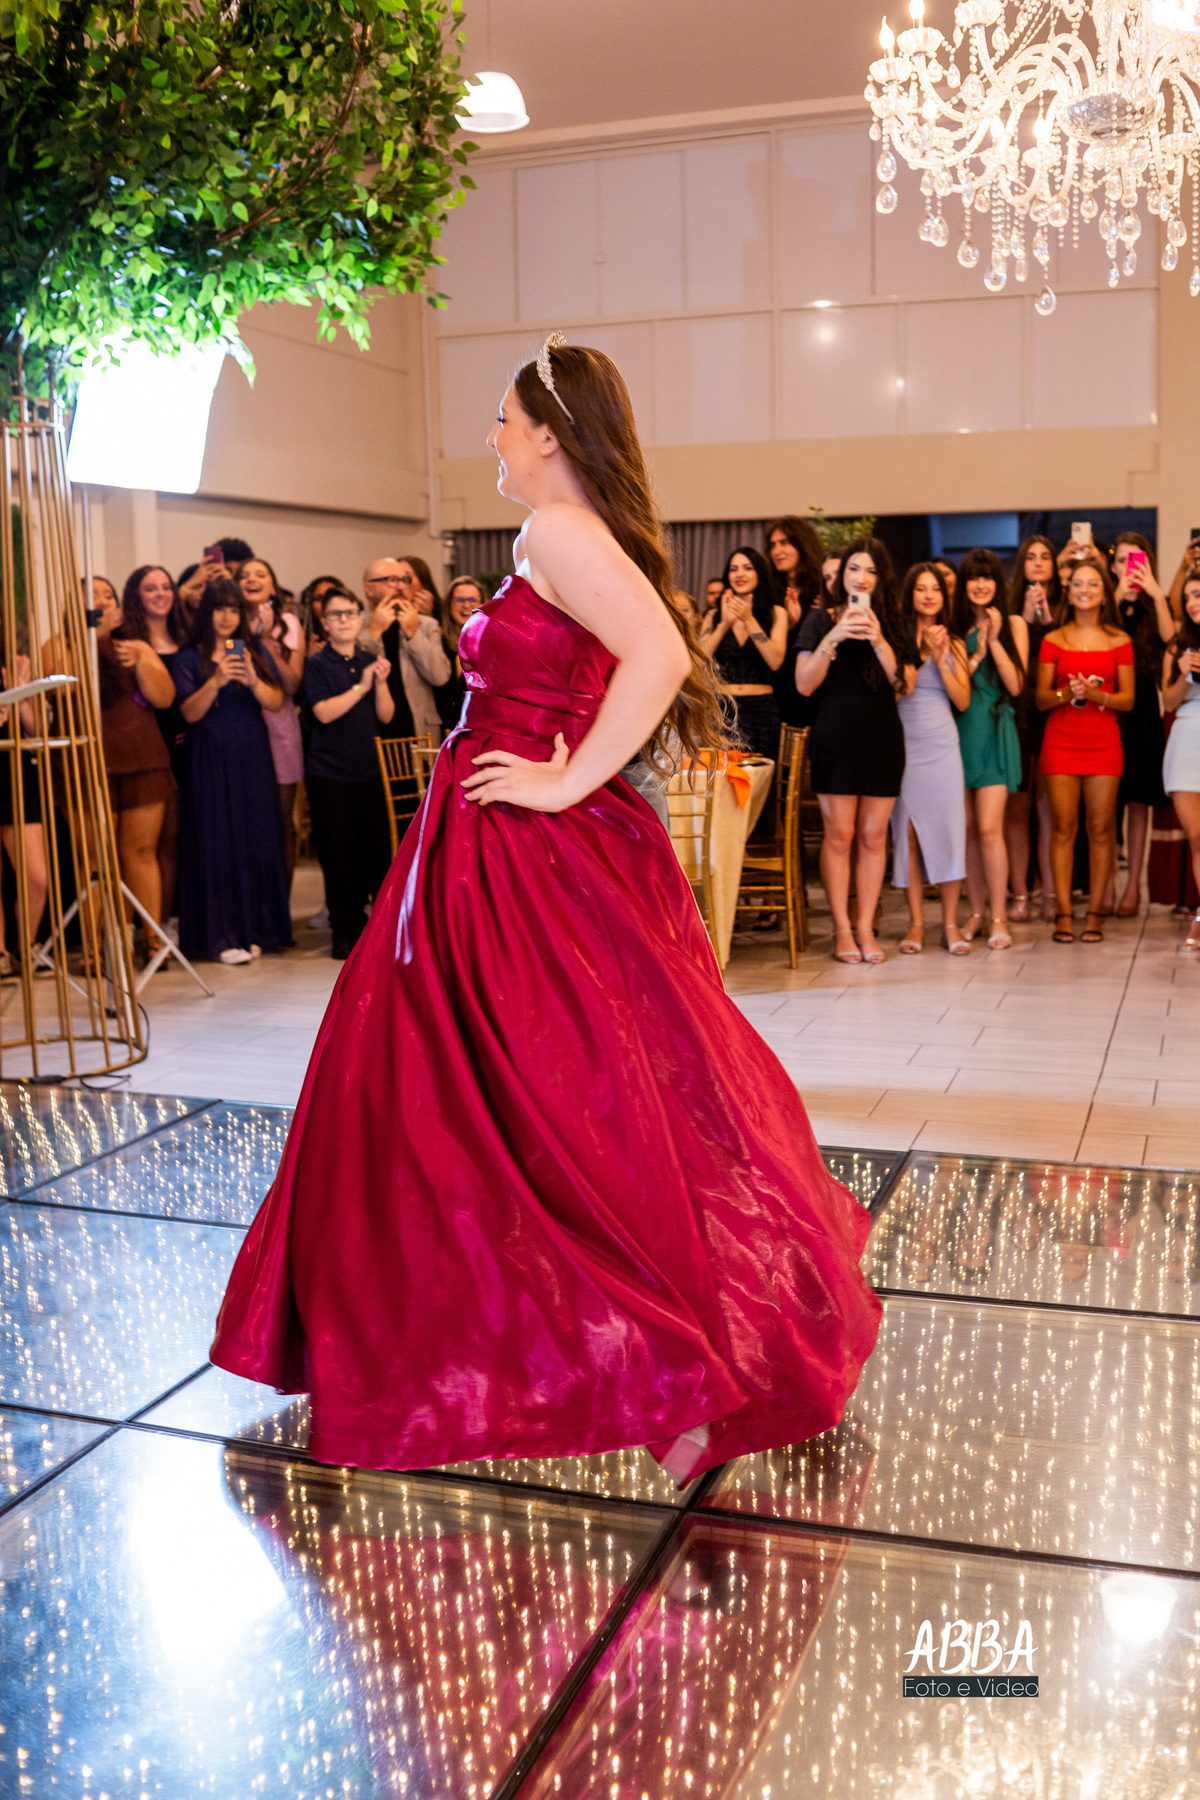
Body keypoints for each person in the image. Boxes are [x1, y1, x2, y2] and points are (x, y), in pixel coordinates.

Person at [210, 336, 880, 1482]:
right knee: (484, 1080)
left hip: (518, 839)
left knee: (523, 1084)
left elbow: (656, 656)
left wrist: (567, 781)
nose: (491, 435)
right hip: (487, 832)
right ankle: (490, 1333)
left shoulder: (559, 532)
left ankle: (575, 1346)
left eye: (504, 419)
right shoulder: (558, 535)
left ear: (553, 435)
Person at [795, 536, 909, 964]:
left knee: (874, 837)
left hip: (882, 738)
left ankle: (865, 927)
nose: (861, 578)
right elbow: (804, 684)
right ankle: (842, 928)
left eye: (871, 571)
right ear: (842, 575)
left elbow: (904, 686)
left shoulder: (893, 622)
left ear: (881, 579)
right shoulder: (819, 620)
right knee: (839, 836)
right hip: (835, 738)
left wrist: (879, 640)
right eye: (854, 569)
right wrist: (836, 636)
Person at [173, 578, 294, 964]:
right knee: (216, 839)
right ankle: (220, 936)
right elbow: (188, 713)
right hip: (209, 756)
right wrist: (217, 680)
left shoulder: (254, 652)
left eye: (233, 609)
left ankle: (254, 929)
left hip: (251, 753)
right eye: (219, 608)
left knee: (255, 835)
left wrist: (253, 681)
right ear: (206, 612)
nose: (226, 616)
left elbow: (276, 702)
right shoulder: (189, 658)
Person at [72, 575, 177, 953]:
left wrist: (142, 661)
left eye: (108, 594)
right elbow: (64, 688)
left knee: (141, 851)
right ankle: (95, 946)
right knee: (93, 857)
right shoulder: (62, 646)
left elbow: (164, 698)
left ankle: (151, 941)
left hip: (142, 756)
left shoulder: (135, 645)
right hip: (86, 764)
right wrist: (95, 636)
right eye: (92, 595)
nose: (102, 600)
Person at [1037, 560, 1134, 943]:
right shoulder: (1053, 639)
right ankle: (1063, 913)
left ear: (1104, 592)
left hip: (1104, 741)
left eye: (1093, 584)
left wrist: (1096, 695)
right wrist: (1067, 693)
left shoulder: (1119, 640)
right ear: (1069, 591)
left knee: (1101, 828)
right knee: (1063, 828)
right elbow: (1041, 699)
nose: (1085, 590)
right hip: (1061, 740)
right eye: (1078, 583)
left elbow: (1128, 700)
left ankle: (1095, 912)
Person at [303, 591, 395, 959]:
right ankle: (344, 930)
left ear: (360, 619)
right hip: (330, 774)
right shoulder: (317, 664)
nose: (343, 620)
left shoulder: (370, 659)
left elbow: (386, 716)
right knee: (338, 856)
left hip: (369, 771)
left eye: (350, 613)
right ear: (325, 623)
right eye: (335, 614)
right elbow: (323, 712)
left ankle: (381, 930)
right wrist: (361, 687)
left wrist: (381, 684)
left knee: (376, 853)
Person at [891, 564, 971, 954]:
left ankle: (951, 924)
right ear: (910, 595)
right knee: (907, 833)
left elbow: (963, 700)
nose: (928, 595)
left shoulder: (955, 643)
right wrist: (921, 653)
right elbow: (899, 692)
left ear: (944, 596)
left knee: (949, 830)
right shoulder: (898, 639)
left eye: (934, 589)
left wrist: (941, 658)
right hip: (904, 742)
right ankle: (916, 924)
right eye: (920, 588)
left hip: (942, 745)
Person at [953, 548, 1028, 950]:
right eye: (973, 577)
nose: (980, 585)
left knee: (989, 828)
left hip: (996, 727)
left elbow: (1016, 685)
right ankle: (976, 912)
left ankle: (999, 915)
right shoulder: (953, 626)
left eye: (987, 577)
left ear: (998, 583)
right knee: (966, 829)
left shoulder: (1014, 623)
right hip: (959, 729)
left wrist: (994, 642)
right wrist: (975, 652)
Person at [119, 565, 189, 925]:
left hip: (186, 746)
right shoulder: (124, 641)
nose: (160, 594)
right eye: (150, 588)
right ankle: (140, 925)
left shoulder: (187, 636)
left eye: (166, 586)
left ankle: (166, 921)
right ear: (136, 596)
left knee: (174, 838)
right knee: (144, 844)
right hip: (143, 747)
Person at [1109, 533, 1174, 916]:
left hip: (1144, 708)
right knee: (1105, 802)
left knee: (1137, 802)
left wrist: (1154, 594)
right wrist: (1118, 594)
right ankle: (1104, 885)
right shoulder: (1105, 603)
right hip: (1107, 707)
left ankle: (1132, 886)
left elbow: (1171, 640)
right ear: (1113, 565)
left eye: (1137, 560)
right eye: (1123, 560)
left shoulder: (1157, 603)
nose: (1129, 567)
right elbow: (1104, 635)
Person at [240, 557, 306, 890]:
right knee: (247, 822)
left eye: (260, 574)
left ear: (272, 585)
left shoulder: (288, 623)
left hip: (280, 728)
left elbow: (292, 684)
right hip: (242, 725)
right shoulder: (228, 623)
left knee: (280, 822)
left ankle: (281, 900)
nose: (251, 579)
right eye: (244, 575)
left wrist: (266, 640)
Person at [1005, 537, 1060, 920]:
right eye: (1031, 557)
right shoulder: (1009, 609)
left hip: (1054, 709)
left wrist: (1046, 618)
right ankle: (1021, 892)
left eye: (1045, 557)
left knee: (1049, 808)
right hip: (1018, 711)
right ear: (1021, 563)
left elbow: (1066, 651)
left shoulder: (1067, 605)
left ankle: (1051, 893)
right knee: (1018, 808)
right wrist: (1024, 617)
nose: (1038, 563)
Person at [699, 547, 789, 761]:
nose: (740, 574)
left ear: (759, 573)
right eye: (734, 569)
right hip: (722, 709)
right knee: (721, 777)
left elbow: (775, 661)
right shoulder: (713, 615)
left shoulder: (776, 613)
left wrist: (749, 619)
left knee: (760, 776)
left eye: (747, 568)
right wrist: (723, 625)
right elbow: (698, 662)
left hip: (761, 710)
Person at [362, 558, 451, 742]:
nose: (401, 587)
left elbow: (440, 676)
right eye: (392, 580)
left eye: (405, 580)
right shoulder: (355, 626)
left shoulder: (426, 625)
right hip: (373, 733)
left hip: (420, 733)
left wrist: (413, 633)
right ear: (369, 588)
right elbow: (352, 677)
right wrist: (374, 632)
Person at [0, 652, 48, 977]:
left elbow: (40, 730)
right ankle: (0, 953)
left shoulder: (13, 662)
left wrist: (18, 690)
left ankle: (24, 947)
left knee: (36, 877)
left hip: (16, 773)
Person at [1161, 570, 1200, 953]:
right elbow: (1169, 702)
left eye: (1198, 594)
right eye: (1187, 597)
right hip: (1188, 738)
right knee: (1197, 836)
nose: (1192, 603)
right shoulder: (1178, 646)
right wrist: (1185, 675)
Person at [765, 516, 825, 729]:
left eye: (784, 543)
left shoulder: (822, 588)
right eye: (772, 545)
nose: (777, 551)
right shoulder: (768, 590)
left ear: (802, 545)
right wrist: (787, 626)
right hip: (777, 688)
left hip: (816, 689)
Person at [436, 576, 487, 732]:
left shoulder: (490, 639)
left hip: (482, 722)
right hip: (448, 724)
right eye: (459, 600)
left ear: (482, 604)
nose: (466, 605)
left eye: (472, 600)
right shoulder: (438, 639)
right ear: (449, 605)